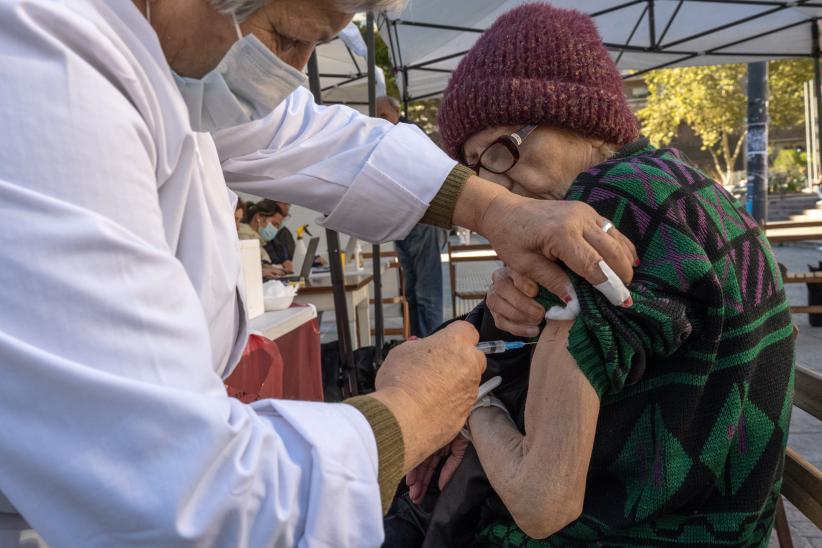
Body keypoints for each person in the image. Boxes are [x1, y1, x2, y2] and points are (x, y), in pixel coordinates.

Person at [0, 1, 638, 546]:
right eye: (290, 35)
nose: (294, 71)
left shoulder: (164, 55)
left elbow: (300, 135)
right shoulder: (40, 79)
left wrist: (493, 209)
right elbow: (178, 500)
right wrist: (411, 415)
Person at [387, 5, 795, 547]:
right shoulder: (681, 186)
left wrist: (467, 407)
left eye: (503, 151)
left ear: (571, 111)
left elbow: (541, 500)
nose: (495, 191)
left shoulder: (606, 208)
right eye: (474, 171)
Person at [376, 95, 448, 337]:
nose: (380, 120)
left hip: (423, 221)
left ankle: (432, 347)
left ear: (397, 113)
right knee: (414, 294)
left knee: (426, 293)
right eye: (376, 116)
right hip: (403, 223)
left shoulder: (409, 135)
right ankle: (419, 343)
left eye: (384, 115)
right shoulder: (389, 138)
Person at [238, 199, 293, 276]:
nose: (275, 230)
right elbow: (245, 271)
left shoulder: (256, 240)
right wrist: (263, 272)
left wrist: (276, 268)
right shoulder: (244, 238)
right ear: (259, 217)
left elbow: (260, 265)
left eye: (278, 227)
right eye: (274, 224)